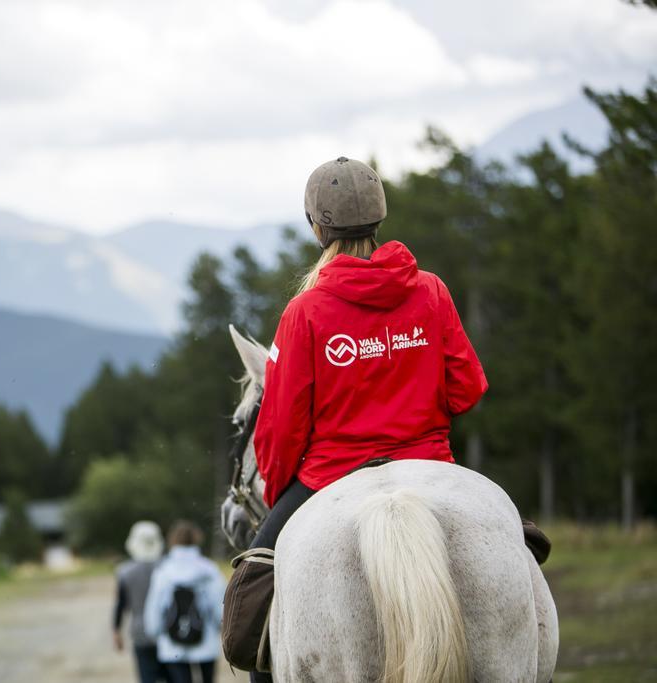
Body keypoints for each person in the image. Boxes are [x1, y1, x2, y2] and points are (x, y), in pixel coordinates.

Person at [224, 156, 489, 682]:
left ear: (317, 227)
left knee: (254, 607)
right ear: (380, 217)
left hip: (329, 476)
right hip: (430, 460)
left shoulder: (304, 313)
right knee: (512, 540)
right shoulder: (431, 290)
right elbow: (468, 389)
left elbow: (277, 429)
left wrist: (280, 493)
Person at [144, 521, 225, 683]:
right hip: (205, 639)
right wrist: (220, 626)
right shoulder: (209, 569)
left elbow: (154, 607)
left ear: (172, 541)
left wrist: (154, 631)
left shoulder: (164, 570)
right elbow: (220, 604)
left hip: (172, 642)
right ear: (196, 539)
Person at [113, 521, 167, 683]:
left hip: (139, 631)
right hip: (165, 631)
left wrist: (116, 630)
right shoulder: (167, 567)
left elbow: (121, 604)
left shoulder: (124, 571)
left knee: (147, 678)